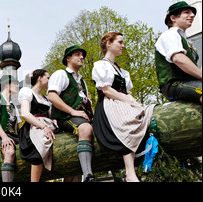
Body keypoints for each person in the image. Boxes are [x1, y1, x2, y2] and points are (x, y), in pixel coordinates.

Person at [92, 32, 156, 182]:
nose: (123, 45)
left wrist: (134, 102)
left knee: (145, 112)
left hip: (123, 102)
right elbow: (106, 90)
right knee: (126, 123)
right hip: (109, 104)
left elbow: (128, 92)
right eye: (120, 42)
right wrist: (129, 102)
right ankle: (129, 172)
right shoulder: (100, 65)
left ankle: (140, 166)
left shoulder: (122, 71)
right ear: (109, 43)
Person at [48, 45, 96, 182]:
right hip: (65, 117)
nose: (81, 57)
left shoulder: (82, 81)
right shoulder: (61, 74)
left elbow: (87, 104)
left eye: (82, 55)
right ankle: (89, 176)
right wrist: (73, 111)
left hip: (81, 117)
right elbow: (52, 96)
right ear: (68, 58)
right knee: (86, 129)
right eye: (77, 54)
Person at [155, 1, 201, 104]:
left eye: (192, 13)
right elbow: (178, 59)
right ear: (173, 18)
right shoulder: (170, 34)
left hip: (189, 82)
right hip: (174, 84)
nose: (192, 15)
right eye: (186, 12)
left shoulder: (187, 41)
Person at [19, 69, 56, 182]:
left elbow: (52, 117)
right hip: (33, 126)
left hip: (47, 125)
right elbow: (25, 113)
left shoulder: (46, 99)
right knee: (39, 147)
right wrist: (43, 127)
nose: (50, 80)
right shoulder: (27, 92)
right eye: (48, 78)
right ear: (39, 78)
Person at [0, 75, 22, 182]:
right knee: (9, 152)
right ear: (7, 85)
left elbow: (19, 127)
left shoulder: (13, 106)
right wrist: (4, 137)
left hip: (14, 136)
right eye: (15, 84)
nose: (17, 86)